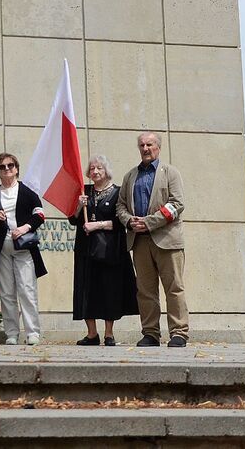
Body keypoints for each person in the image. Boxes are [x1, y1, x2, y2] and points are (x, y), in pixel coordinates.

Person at [115, 132, 188, 348]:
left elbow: (177, 204)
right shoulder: (130, 176)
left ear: (158, 147)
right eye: (142, 145)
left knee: (174, 288)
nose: (146, 148)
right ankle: (150, 334)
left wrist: (149, 222)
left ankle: (179, 333)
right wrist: (129, 221)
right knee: (145, 291)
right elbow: (120, 205)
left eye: (150, 144)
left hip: (167, 240)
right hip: (139, 242)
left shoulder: (171, 173)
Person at [69, 155, 139, 346]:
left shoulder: (118, 192)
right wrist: (78, 207)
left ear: (106, 170)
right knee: (86, 290)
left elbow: (120, 222)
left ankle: (109, 333)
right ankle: (92, 334)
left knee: (109, 290)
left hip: (110, 250)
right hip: (86, 250)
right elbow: (73, 219)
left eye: (99, 168)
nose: (95, 171)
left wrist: (96, 225)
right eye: (92, 169)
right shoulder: (84, 191)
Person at [0, 152, 47, 345]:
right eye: (2, 167)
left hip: (24, 248)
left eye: (10, 165)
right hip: (0, 248)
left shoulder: (27, 191)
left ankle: (32, 332)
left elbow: (40, 214)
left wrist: (25, 227)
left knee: (27, 290)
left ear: (17, 169)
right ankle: (11, 333)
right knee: (7, 293)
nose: (7, 169)